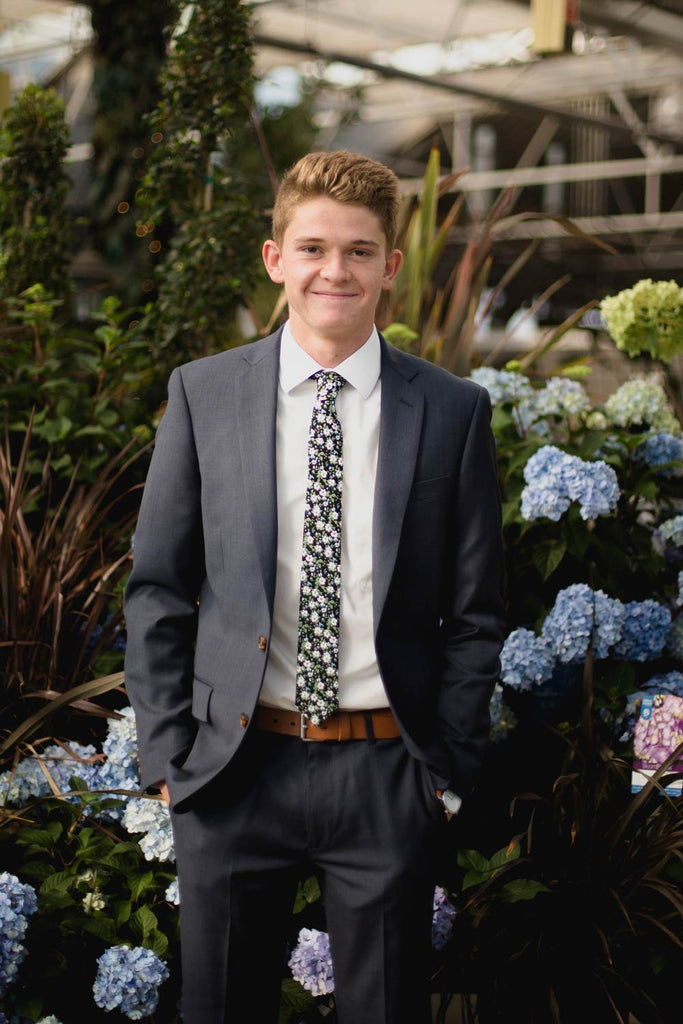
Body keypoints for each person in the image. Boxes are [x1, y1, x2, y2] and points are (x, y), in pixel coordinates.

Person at [124, 149, 505, 1024]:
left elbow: (477, 612)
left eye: (359, 251)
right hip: (231, 771)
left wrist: (441, 769)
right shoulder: (204, 393)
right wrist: (167, 759)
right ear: (275, 259)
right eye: (312, 248)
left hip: (384, 771)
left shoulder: (451, 411)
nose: (335, 270)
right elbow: (158, 588)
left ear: (391, 268)